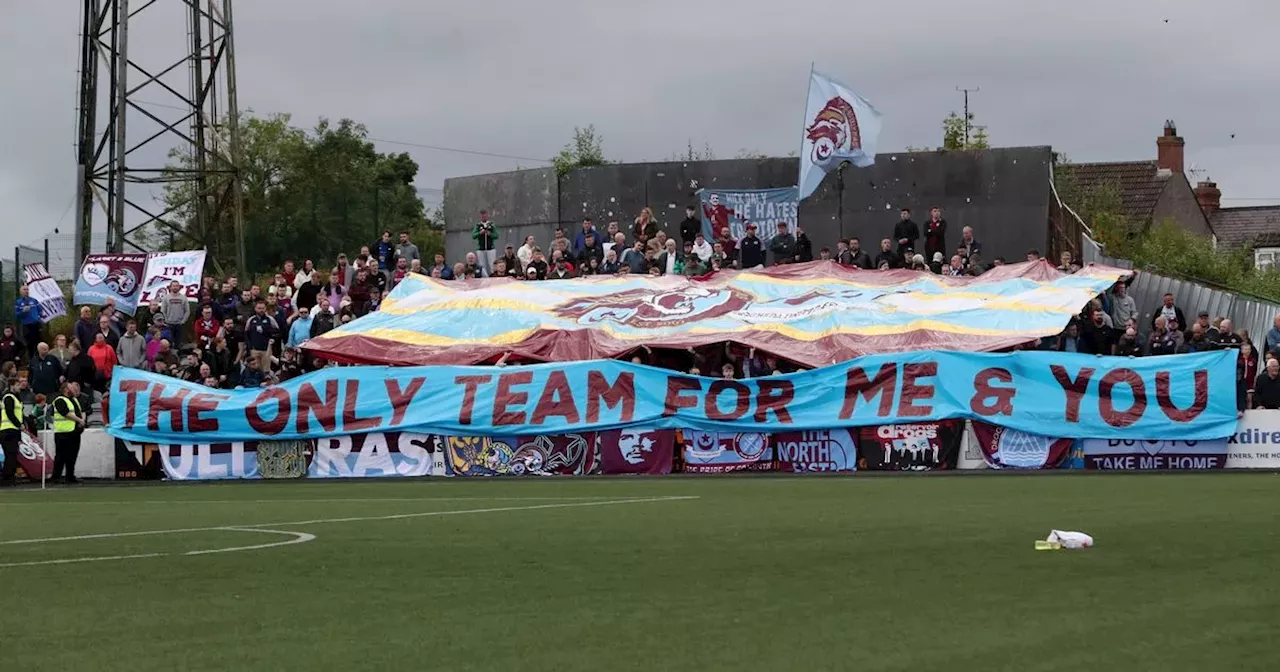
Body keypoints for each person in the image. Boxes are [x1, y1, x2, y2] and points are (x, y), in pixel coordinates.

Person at [51, 381, 86, 484]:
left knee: (72, 456)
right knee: (61, 456)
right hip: (63, 432)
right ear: (66, 389)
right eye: (71, 387)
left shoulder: (74, 400)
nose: (74, 389)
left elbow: (81, 411)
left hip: (74, 431)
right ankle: (56, 476)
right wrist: (79, 420)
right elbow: (65, 413)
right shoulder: (59, 400)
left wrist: (82, 420)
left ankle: (70, 476)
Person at [0, 376, 27, 485]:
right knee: (10, 454)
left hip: (13, 429)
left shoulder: (16, 398)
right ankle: (7, 477)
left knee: (12, 454)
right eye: (17, 385)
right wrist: (19, 424)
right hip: (8, 429)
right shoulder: (9, 397)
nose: (19, 387)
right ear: (12, 386)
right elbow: (10, 413)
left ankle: (10, 476)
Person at [245, 301, 278, 374]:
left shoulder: (270, 319)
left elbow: (277, 332)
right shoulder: (251, 320)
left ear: (265, 308)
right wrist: (249, 346)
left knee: (266, 371)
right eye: (259, 308)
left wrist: (273, 338)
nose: (261, 310)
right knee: (256, 370)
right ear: (255, 309)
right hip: (254, 349)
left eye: (263, 308)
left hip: (266, 349)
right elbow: (246, 333)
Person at [14, 284, 42, 360]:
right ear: (20, 291)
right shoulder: (18, 302)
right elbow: (17, 315)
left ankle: (39, 359)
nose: (26, 291)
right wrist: (23, 311)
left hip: (35, 324)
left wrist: (39, 317)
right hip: (26, 325)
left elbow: (40, 310)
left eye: (27, 289)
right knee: (29, 344)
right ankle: (31, 361)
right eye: (24, 289)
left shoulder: (34, 300)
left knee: (38, 342)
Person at [161, 280, 190, 348]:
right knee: (169, 343)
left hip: (180, 324)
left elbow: (187, 311)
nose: (175, 287)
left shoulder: (183, 298)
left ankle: (178, 357)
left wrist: (183, 321)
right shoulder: (166, 298)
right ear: (170, 287)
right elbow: (163, 311)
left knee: (178, 344)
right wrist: (166, 321)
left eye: (177, 286)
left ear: (179, 287)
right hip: (169, 324)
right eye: (173, 286)